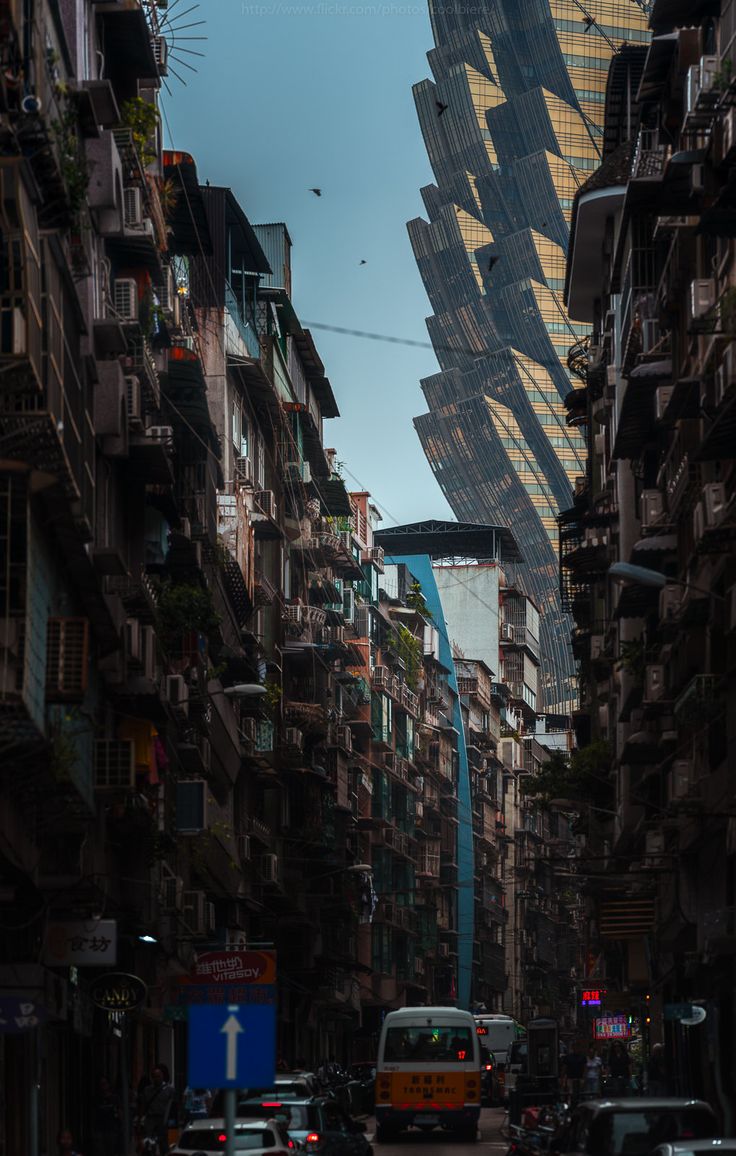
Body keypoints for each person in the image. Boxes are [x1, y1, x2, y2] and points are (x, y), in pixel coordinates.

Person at [138, 1065, 175, 1155]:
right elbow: (143, 1106)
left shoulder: (169, 1090)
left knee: (164, 1145)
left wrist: (171, 1122)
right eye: (154, 1076)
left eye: (158, 1076)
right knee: (149, 1145)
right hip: (150, 1120)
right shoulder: (147, 1090)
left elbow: (173, 1107)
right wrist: (140, 1120)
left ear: (162, 1076)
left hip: (163, 1120)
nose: (156, 1078)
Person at [92, 1077, 122, 1156]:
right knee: (100, 1150)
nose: (103, 1086)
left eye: (105, 1084)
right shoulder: (97, 1098)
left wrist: (119, 1123)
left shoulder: (114, 1098)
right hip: (100, 1128)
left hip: (111, 1128)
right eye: (101, 1084)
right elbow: (94, 1113)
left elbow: (119, 1112)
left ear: (108, 1085)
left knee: (111, 1150)